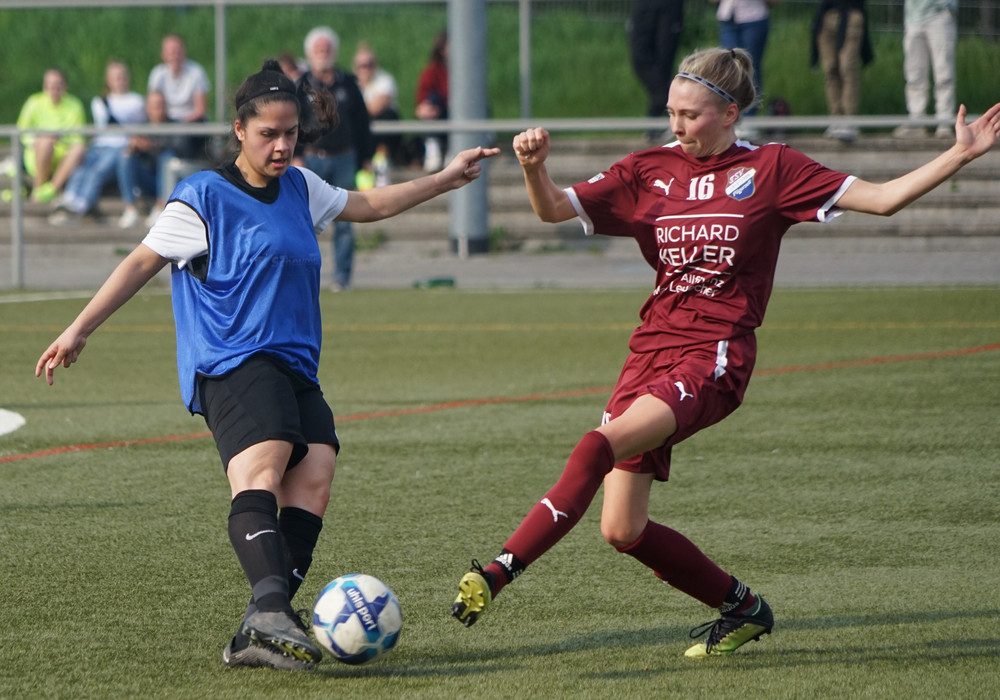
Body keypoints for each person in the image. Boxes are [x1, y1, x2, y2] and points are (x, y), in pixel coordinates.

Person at [450, 47, 1000, 658]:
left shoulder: (774, 168)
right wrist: (534, 167)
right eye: (671, 113)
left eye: (690, 115)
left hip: (713, 356)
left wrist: (960, 153)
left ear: (730, 112)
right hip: (647, 353)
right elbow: (553, 208)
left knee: (595, 446)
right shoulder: (647, 169)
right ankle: (744, 608)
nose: (677, 126)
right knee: (621, 528)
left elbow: (884, 197)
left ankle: (496, 572)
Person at [36, 59, 497, 671]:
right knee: (267, 462)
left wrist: (443, 178)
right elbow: (139, 264)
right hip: (230, 360)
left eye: (290, 134)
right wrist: (78, 330)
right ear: (239, 131)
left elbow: (372, 204)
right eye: (268, 135)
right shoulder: (203, 197)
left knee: (318, 470)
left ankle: (262, 622)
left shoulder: (302, 189)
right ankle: (272, 611)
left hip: (293, 365)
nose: (282, 146)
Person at [296, 26, 375, 291]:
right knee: (306, 222)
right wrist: (295, 157)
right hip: (311, 160)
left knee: (345, 222)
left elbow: (363, 123)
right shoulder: (300, 86)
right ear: (309, 53)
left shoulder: (348, 84)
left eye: (327, 48)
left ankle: (342, 276)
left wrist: (366, 157)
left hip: (345, 158)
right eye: (319, 49)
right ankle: (307, 277)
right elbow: (290, 123)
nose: (323, 53)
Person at [48, 60, 146, 226]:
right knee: (81, 168)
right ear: (108, 80)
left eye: (122, 76)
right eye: (115, 77)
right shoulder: (99, 102)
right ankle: (69, 197)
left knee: (97, 172)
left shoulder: (137, 101)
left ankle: (79, 206)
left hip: (120, 147)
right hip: (100, 146)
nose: (119, 80)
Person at [146, 34, 212, 222]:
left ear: (184, 52)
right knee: (165, 152)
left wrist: (178, 124)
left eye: (177, 50)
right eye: (170, 51)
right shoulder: (158, 73)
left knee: (168, 151)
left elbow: (200, 109)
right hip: (167, 125)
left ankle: (161, 204)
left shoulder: (196, 72)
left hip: (190, 127)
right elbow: (153, 105)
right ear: (164, 54)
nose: (174, 55)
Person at [15, 67, 87, 204]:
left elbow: (79, 137)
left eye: (58, 84)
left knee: (79, 148)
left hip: (63, 157)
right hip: (38, 153)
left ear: (66, 86)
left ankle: (50, 189)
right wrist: (39, 139)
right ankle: (39, 189)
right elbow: (22, 131)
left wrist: (59, 139)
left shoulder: (75, 105)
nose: (54, 88)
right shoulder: (33, 102)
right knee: (45, 143)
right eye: (50, 84)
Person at [892, 0, 957, 140]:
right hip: (913, 17)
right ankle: (917, 120)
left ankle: (944, 121)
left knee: (944, 73)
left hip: (940, 14)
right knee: (914, 73)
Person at [811, 0, 874, 142]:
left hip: (850, 13)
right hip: (826, 13)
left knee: (847, 67)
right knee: (830, 69)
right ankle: (835, 118)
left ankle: (850, 120)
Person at [627, 0, 685, 142]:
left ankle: (657, 124)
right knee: (641, 61)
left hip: (668, 7)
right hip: (645, 6)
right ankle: (665, 107)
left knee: (664, 64)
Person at [710, 0, 776, 122]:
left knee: (750, 68)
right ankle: (730, 116)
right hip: (728, 19)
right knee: (728, 68)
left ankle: (750, 118)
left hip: (754, 18)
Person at [116, 91, 173, 229]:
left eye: (160, 105)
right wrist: (134, 147)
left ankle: (160, 206)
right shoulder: (141, 127)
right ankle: (130, 208)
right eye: (154, 105)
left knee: (167, 157)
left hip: (167, 181)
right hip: (146, 178)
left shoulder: (174, 126)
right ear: (147, 108)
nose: (157, 109)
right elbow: (131, 152)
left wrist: (153, 147)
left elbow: (180, 148)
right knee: (125, 156)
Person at [353, 41, 402, 179]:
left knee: (385, 115)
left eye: (369, 65)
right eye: (362, 66)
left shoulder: (385, 80)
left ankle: (381, 158)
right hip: (364, 131)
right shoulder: (351, 83)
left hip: (383, 130)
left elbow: (376, 108)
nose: (366, 69)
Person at [414, 31, 449, 172]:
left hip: (454, 113)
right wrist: (425, 107)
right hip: (439, 113)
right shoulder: (432, 71)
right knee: (431, 100)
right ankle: (432, 146)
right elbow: (423, 94)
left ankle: (454, 148)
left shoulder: (470, 71)